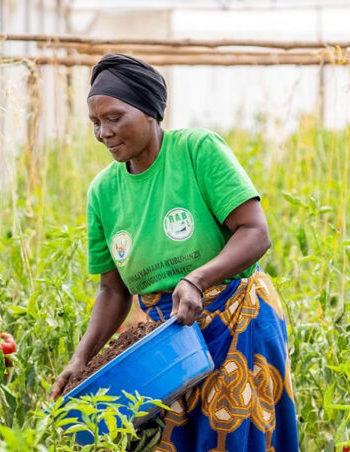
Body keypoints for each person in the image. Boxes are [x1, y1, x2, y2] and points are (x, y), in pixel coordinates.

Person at [50, 54, 298, 451]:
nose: (103, 132)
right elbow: (113, 291)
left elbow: (255, 232)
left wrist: (196, 279)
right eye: (96, 123)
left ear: (150, 110)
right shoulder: (103, 192)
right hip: (165, 342)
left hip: (236, 321)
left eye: (114, 117)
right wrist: (81, 359)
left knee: (234, 436)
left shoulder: (197, 150)